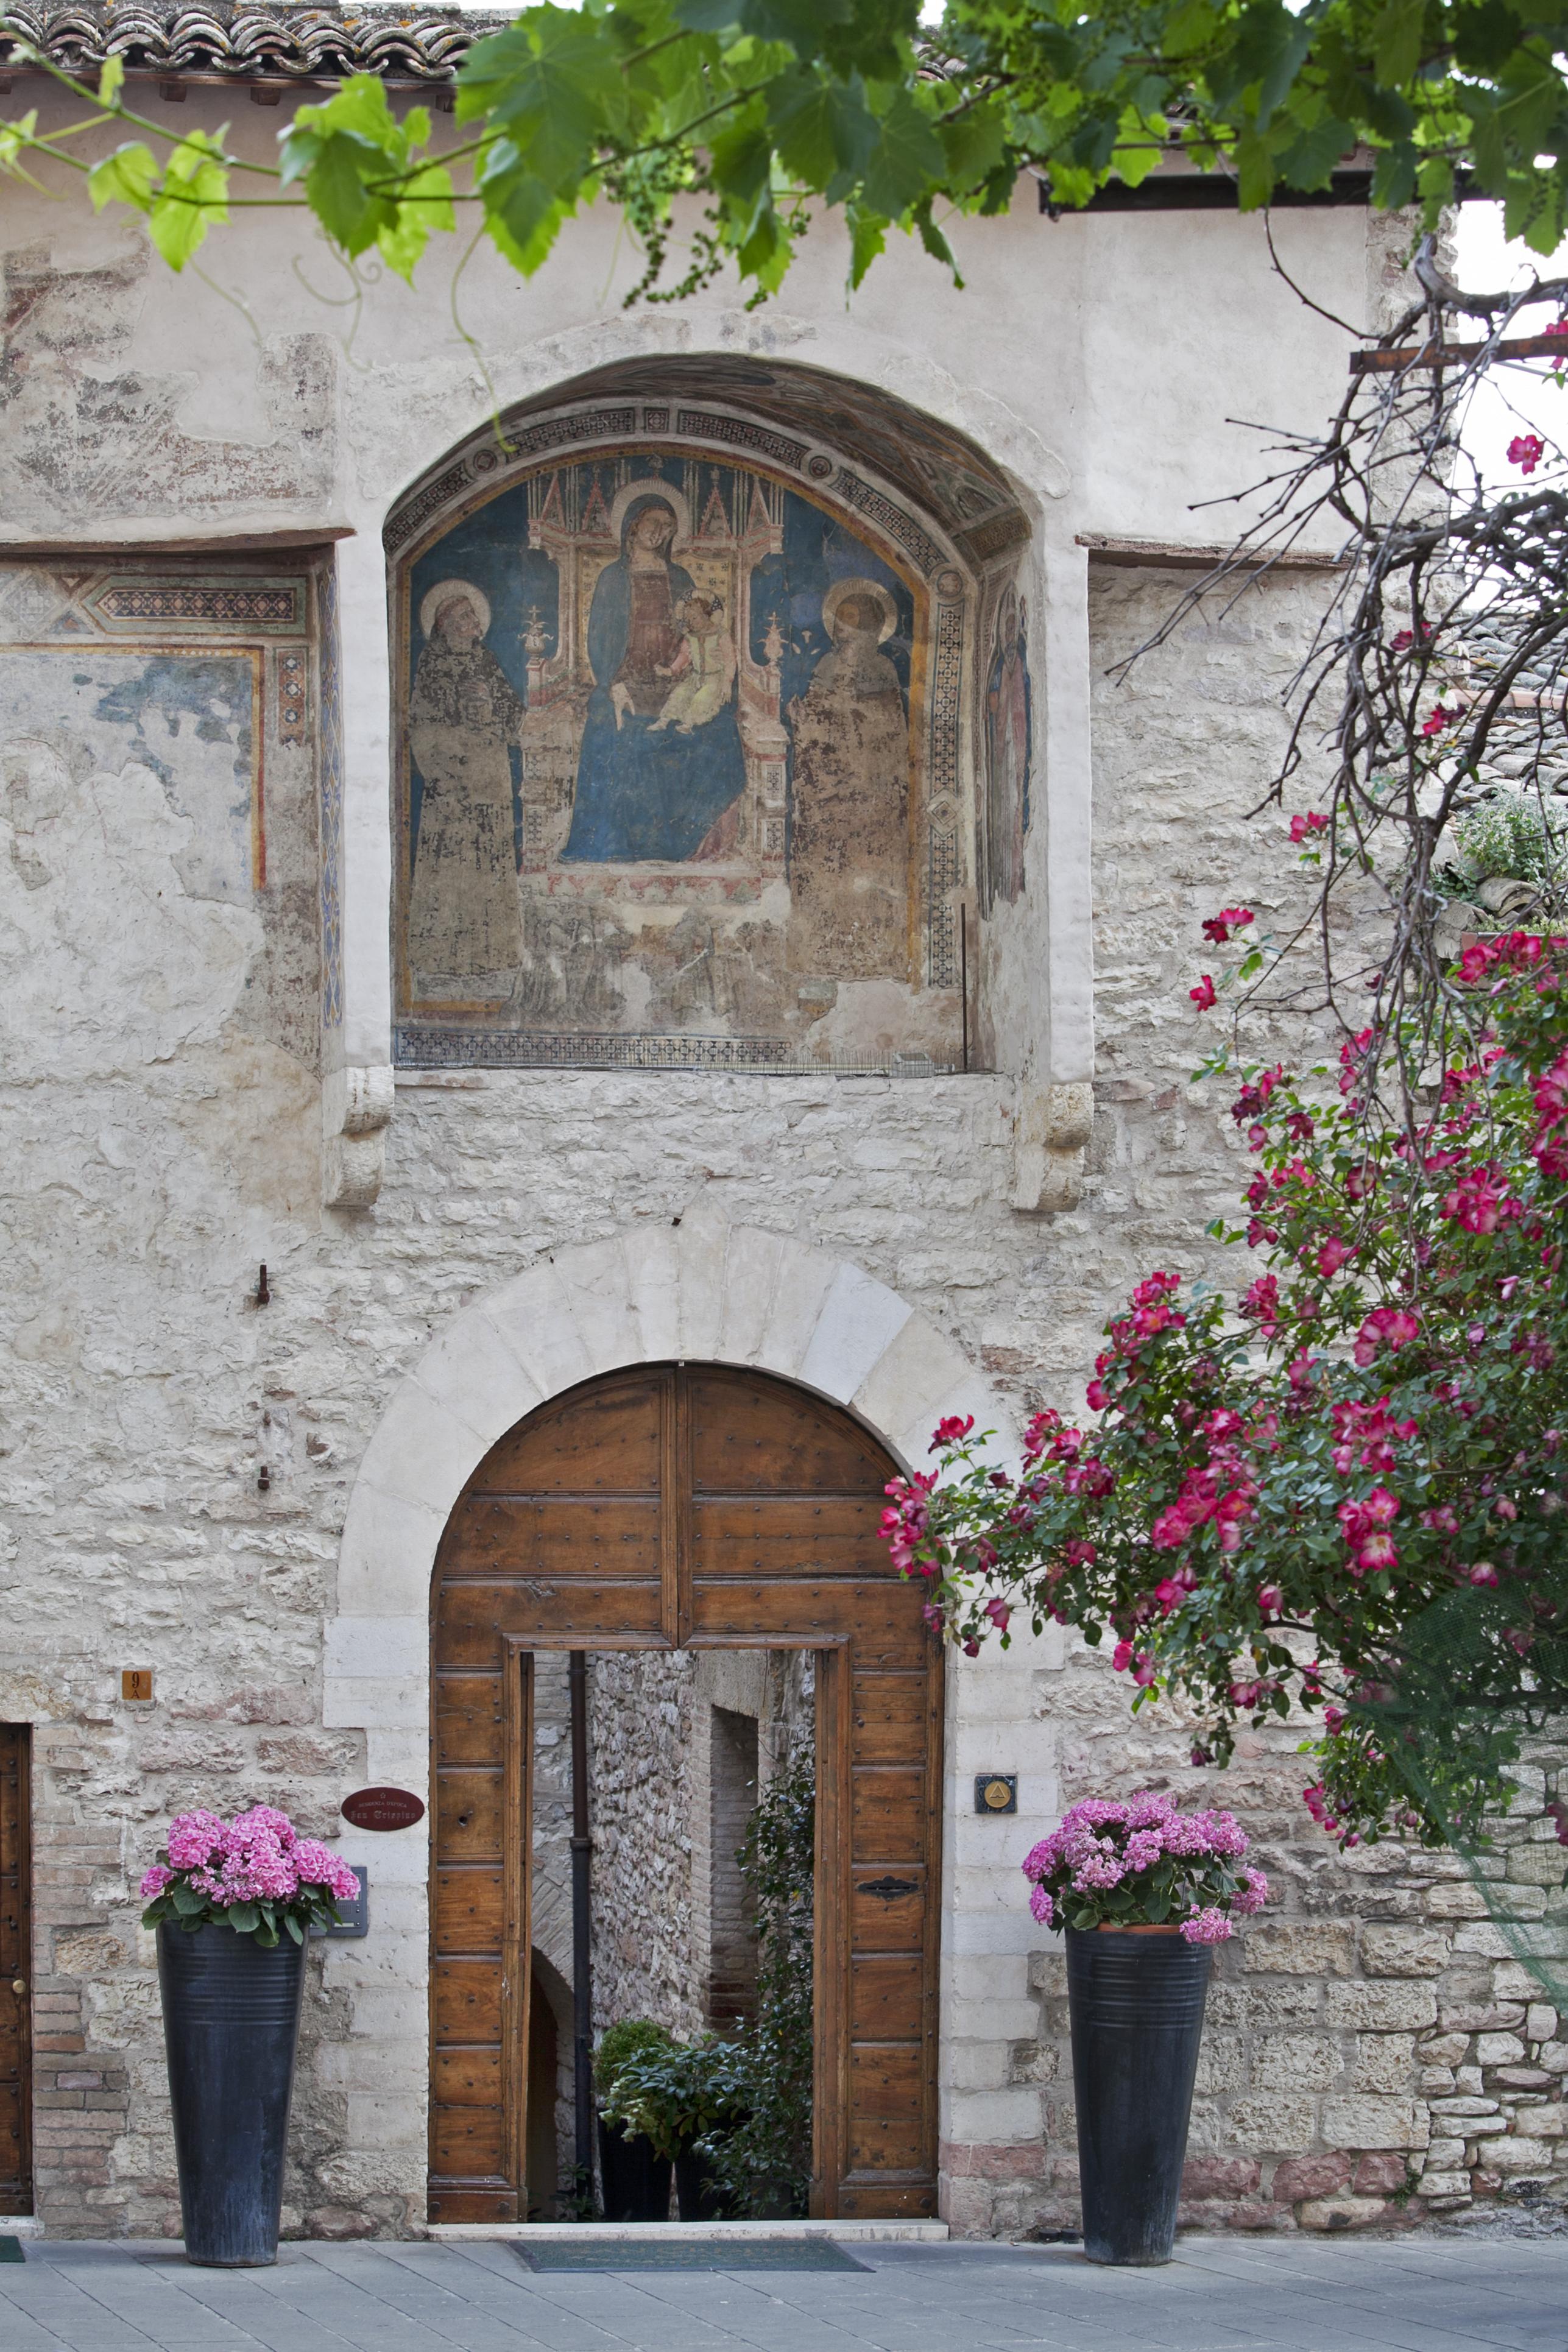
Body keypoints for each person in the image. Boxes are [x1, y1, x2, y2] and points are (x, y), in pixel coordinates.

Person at [564, 496, 747, 863]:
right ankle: (615, 844)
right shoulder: (613, 577)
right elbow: (599, 640)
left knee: (717, 727)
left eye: (669, 527)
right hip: (624, 679)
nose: (660, 532)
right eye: (654, 522)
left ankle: (688, 841)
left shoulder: (678, 577)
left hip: (671, 678)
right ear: (633, 525)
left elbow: (697, 632)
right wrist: (614, 683)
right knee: (617, 729)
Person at [406, 588, 525, 979]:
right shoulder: (433, 663)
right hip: (453, 783)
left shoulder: (486, 661)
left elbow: (513, 714)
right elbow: (422, 724)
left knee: (488, 860)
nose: (474, 624)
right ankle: (444, 956)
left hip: (489, 775)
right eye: (465, 618)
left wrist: (491, 703)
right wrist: (447, 766)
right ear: (446, 626)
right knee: (453, 866)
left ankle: (492, 953)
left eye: (475, 617)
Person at [649, 594, 738, 735]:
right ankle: (663, 722)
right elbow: (684, 657)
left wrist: (727, 683)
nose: (692, 623)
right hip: (695, 678)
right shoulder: (690, 637)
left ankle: (688, 724)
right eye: (688, 620)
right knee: (679, 694)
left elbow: (730, 660)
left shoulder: (721, 634)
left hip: (714, 679)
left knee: (700, 699)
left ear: (706, 615)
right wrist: (670, 671)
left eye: (695, 618)